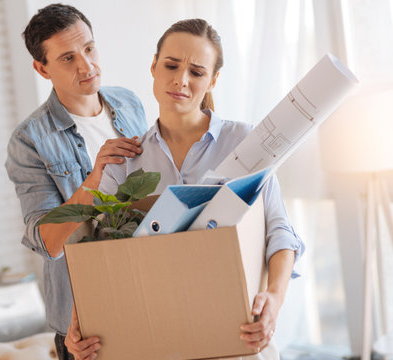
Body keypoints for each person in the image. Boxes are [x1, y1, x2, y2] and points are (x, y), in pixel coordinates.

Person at [65, 18, 304, 360]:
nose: (180, 80)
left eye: (196, 72)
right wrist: (80, 321)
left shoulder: (247, 143)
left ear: (213, 81)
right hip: (154, 339)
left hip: (238, 336)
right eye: (172, 65)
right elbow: (100, 253)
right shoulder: (124, 161)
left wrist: (275, 301)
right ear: (154, 66)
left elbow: (280, 231)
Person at [4, 4, 147, 360]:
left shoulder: (129, 102)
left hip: (146, 290)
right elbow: (48, 242)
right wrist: (95, 178)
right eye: (67, 58)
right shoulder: (29, 140)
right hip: (85, 323)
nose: (86, 65)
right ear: (42, 68)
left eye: (89, 48)